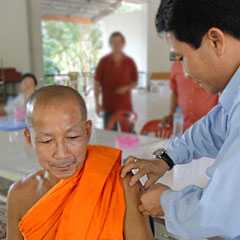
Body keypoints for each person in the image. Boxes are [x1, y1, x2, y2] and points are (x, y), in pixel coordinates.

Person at [122, 0, 240, 239]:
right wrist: (166, 158)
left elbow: (218, 217)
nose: (184, 72)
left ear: (215, 40)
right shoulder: (232, 100)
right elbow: (213, 128)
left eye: (182, 57)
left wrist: (165, 203)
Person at [6, 86, 153, 240]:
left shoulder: (122, 183)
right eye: (47, 140)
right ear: (29, 138)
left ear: (87, 131)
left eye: (72, 137)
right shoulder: (19, 195)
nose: (62, 154)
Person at [156, 54, 218, 138]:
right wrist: (171, 114)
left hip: (209, 127)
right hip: (185, 127)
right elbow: (175, 92)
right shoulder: (176, 65)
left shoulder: (212, 64)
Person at [94, 32, 138, 130]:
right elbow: (96, 83)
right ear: (110, 44)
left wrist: (126, 88)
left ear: (123, 44)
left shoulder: (130, 62)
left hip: (126, 107)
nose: (116, 45)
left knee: (128, 137)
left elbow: (135, 82)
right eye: (113, 42)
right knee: (110, 138)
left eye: (118, 42)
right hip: (108, 107)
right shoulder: (103, 61)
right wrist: (97, 103)